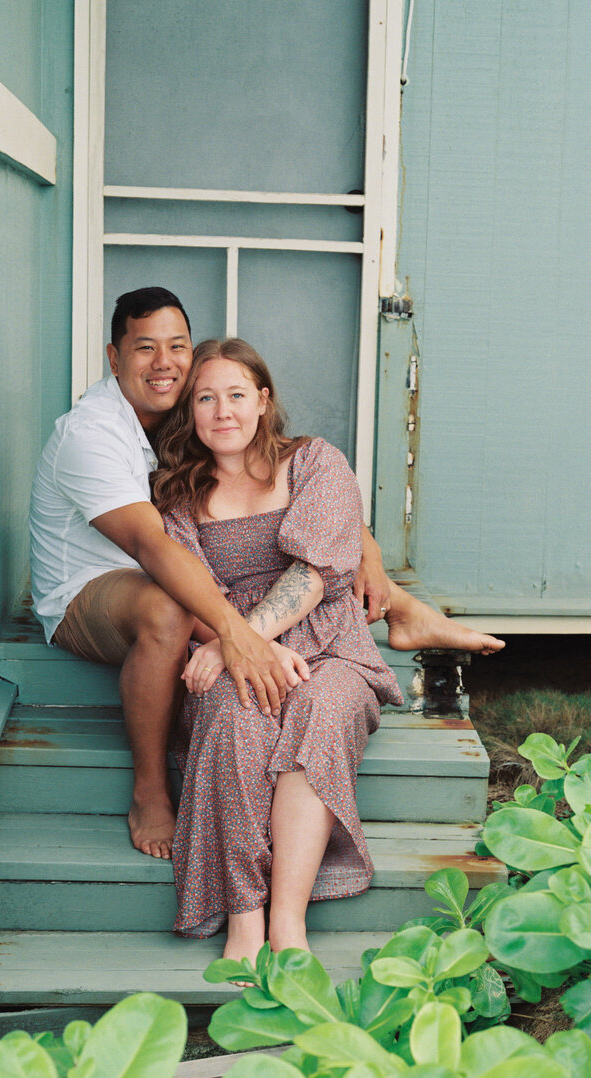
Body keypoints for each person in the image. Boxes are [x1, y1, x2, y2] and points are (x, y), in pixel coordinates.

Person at [29, 287, 503, 862]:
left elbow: (306, 486)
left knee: (283, 540)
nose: (164, 363)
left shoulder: (181, 411)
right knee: (171, 606)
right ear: (113, 357)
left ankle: (399, 608)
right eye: (144, 348)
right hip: (91, 587)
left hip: (171, 573)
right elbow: (150, 545)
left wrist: (366, 550)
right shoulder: (93, 433)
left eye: (177, 346)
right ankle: (150, 789)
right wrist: (240, 638)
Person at [151, 338, 405, 961]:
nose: (222, 411)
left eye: (237, 395)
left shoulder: (316, 462)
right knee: (234, 720)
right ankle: (245, 916)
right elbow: (191, 592)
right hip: (228, 643)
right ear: (190, 411)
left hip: (329, 640)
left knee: (321, 710)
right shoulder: (177, 496)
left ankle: (288, 922)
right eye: (205, 398)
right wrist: (230, 649)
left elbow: (317, 573)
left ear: (263, 401)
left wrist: (250, 641)